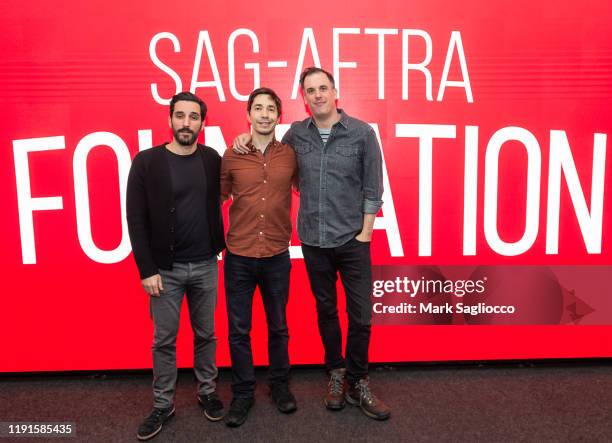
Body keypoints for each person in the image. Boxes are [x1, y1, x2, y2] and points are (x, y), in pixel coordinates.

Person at [233, 67, 391, 420]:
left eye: (323, 88)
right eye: (310, 90)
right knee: (326, 311)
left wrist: (365, 232)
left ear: (335, 92)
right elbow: (269, 156)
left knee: (361, 315)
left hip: (353, 239)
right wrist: (243, 140)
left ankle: (358, 380)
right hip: (314, 241)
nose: (317, 94)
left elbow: (372, 186)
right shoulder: (295, 134)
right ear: (303, 98)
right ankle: (335, 374)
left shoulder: (362, 133)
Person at [127, 91, 226, 441]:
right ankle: (162, 404)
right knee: (164, 340)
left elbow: (231, 191)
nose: (187, 123)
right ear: (170, 119)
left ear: (202, 121)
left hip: (205, 265)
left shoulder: (212, 159)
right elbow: (136, 220)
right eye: (180, 115)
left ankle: (207, 392)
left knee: (206, 334)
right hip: (164, 271)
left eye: (194, 116)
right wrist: (147, 269)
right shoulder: (146, 162)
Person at [221, 87, 298, 427]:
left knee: (278, 327)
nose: (265, 114)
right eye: (258, 108)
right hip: (238, 255)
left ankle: (280, 387)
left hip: (277, 256)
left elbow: (308, 186)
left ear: (278, 116)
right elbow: (218, 197)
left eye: (271, 109)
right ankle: (242, 393)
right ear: (248, 115)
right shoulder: (232, 154)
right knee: (239, 330)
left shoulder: (291, 155)